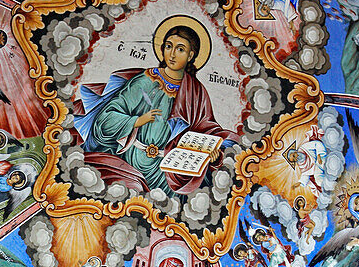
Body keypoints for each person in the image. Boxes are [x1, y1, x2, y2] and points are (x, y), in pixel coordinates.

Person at [75, 19, 238, 194]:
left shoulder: (196, 92)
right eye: (168, 46)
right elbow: (105, 118)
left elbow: (207, 130)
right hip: (131, 161)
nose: (172, 54)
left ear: (191, 56)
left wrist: (213, 154)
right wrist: (136, 121)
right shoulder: (146, 80)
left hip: (169, 174)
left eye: (180, 49)